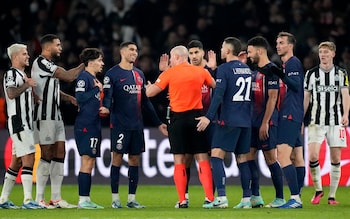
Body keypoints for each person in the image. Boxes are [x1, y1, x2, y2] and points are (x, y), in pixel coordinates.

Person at [99, 41, 168, 209]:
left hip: (137, 125)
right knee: (117, 158)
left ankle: (131, 199)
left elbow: (145, 102)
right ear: (122, 52)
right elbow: (107, 96)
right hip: (120, 124)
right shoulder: (112, 74)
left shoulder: (139, 74)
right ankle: (115, 199)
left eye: (136, 50)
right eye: (131, 49)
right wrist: (106, 108)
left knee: (134, 159)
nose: (134, 53)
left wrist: (158, 123)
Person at [146, 45, 216, 208]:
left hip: (177, 120)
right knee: (202, 158)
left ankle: (183, 200)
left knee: (179, 159)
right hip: (197, 117)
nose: (170, 60)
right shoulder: (201, 71)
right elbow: (214, 85)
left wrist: (149, 86)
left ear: (177, 57)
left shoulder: (169, 73)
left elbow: (150, 93)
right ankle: (210, 198)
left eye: (171, 57)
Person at [196, 37, 253, 209]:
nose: (220, 50)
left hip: (228, 119)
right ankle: (246, 199)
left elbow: (218, 95)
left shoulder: (224, 69)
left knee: (216, 155)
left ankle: (221, 197)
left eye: (222, 47)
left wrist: (208, 117)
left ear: (228, 51)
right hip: (245, 121)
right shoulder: (246, 69)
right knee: (242, 158)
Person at [31, 34, 84, 208]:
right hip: (44, 116)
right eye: (58, 45)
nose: (61, 48)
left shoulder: (50, 65)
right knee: (46, 154)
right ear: (47, 47)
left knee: (60, 152)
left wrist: (67, 97)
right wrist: (86, 64)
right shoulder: (41, 62)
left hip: (56, 115)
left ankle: (56, 198)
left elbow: (50, 87)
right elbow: (69, 76)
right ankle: (39, 198)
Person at [304, 41, 349, 205]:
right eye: (321, 52)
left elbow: (345, 95)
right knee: (313, 156)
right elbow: (306, 98)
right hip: (316, 121)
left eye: (326, 52)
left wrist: (345, 113)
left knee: (336, 158)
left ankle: (332, 196)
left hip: (336, 121)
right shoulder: (311, 74)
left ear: (333, 54)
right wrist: (302, 119)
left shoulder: (341, 73)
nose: (323, 55)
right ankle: (318, 191)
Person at [245, 36, 286, 208]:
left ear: (259, 50)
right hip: (252, 122)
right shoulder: (254, 70)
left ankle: (280, 198)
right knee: (248, 156)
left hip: (266, 122)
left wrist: (265, 122)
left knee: (270, 158)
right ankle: (256, 196)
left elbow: (273, 97)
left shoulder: (271, 70)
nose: (248, 55)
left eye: (250, 51)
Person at [0, 44, 42, 209]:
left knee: (16, 162)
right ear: (16, 57)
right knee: (29, 157)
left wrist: (34, 98)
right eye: (25, 54)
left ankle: (3, 199)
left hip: (26, 121)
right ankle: (27, 200)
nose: (28, 56)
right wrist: (27, 85)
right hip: (19, 121)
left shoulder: (21, 74)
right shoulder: (11, 73)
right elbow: (10, 94)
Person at [272, 31, 304, 208]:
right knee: (296, 156)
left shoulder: (292, 63)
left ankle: (295, 198)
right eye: (277, 42)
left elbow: (295, 85)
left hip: (289, 114)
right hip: (294, 113)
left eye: (282, 42)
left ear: (290, 46)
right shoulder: (288, 65)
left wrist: (280, 73)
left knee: (282, 155)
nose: (278, 45)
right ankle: (297, 196)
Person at [74, 48, 105, 209]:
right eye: (100, 60)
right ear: (91, 62)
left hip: (93, 124)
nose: (102, 63)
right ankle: (83, 200)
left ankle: (86, 199)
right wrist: (96, 90)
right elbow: (79, 97)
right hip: (86, 125)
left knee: (90, 161)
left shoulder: (94, 79)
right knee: (86, 160)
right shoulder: (84, 78)